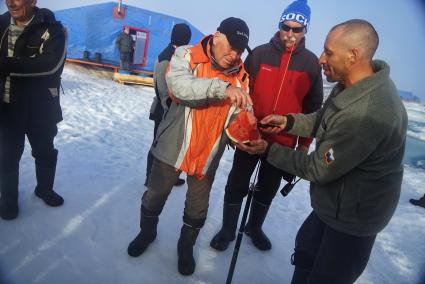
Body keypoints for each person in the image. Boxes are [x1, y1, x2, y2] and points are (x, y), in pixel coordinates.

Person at [256, 19, 407, 283]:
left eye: (328, 52)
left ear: (353, 56)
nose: (320, 58)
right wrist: (288, 121)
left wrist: (267, 149)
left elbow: (318, 168)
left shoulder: (366, 113)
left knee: (325, 276)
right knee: (305, 253)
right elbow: (322, 121)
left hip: (352, 221)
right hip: (333, 205)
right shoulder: (350, 85)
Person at [127, 17, 254, 276]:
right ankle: (146, 233)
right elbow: (178, 86)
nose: (234, 55)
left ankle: (185, 248)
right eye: (231, 47)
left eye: (240, 51)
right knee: (154, 196)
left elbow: (240, 117)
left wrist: (248, 136)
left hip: (207, 156)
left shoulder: (242, 76)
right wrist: (222, 88)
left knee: (197, 210)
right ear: (217, 35)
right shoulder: (187, 54)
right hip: (173, 148)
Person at [210, 0, 323, 252]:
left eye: (297, 29)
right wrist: (237, 128)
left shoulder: (311, 63)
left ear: (305, 31)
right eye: (286, 27)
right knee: (236, 184)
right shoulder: (259, 54)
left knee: (267, 190)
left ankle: (254, 227)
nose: (290, 34)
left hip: (282, 143)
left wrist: (303, 145)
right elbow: (241, 92)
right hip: (251, 136)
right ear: (280, 25)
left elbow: (314, 108)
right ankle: (228, 230)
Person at [0, 0, 67, 220]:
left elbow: (50, 64)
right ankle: (8, 201)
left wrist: (7, 64)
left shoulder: (51, 28)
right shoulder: (1, 24)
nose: (11, 2)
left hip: (40, 108)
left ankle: (44, 189)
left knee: (45, 152)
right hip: (7, 107)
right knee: (7, 157)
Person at [145, 23, 192, 187]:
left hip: (170, 108)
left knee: (170, 145)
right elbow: (163, 90)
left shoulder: (175, 54)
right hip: (164, 109)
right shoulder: (168, 57)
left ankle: (167, 177)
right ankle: (150, 178)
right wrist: (171, 110)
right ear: (185, 39)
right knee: (158, 144)